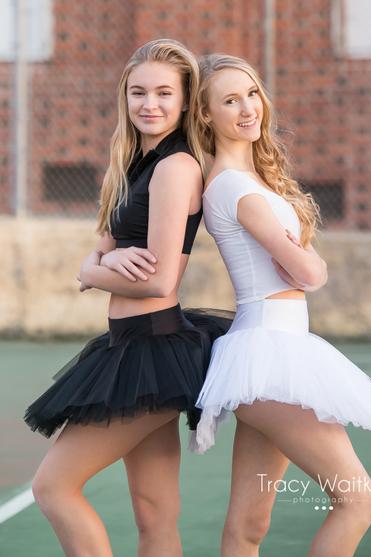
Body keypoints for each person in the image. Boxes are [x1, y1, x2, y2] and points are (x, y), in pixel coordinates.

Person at [24, 40, 230, 557]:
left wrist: (98, 270)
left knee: (53, 487)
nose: (150, 104)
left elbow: (159, 281)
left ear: (186, 102)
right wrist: (103, 264)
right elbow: (91, 262)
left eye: (164, 93)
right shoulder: (136, 165)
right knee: (154, 514)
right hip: (128, 344)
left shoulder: (175, 167)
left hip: (152, 348)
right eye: (138, 92)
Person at [190, 53, 371, 557]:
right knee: (360, 501)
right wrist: (311, 263)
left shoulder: (249, 181)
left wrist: (304, 261)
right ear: (205, 115)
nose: (247, 108)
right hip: (270, 353)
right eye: (230, 100)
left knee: (248, 527)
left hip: (273, 352)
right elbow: (308, 272)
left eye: (252, 94)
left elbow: (302, 269)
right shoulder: (236, 188)